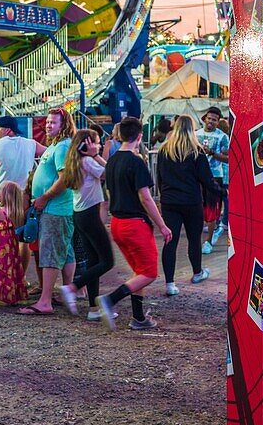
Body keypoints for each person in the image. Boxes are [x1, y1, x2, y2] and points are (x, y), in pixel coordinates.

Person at [96, 116, 173, 330]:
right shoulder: (136, 161)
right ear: (139, 136)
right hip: (134, 224)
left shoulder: (112, 160)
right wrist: (162, 225)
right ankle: (109, 300)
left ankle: (139, 318)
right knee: (149, 273)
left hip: (118, 223)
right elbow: (146, 198)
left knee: (139, 272)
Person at [19, 107, 77, 315]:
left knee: (51, 252)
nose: (48, 125)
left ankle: (45, 301)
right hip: (54, 208)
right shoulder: (56, 146)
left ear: (63, 125)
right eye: (47, 122)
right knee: (65, 251)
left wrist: (44, 197)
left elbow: (65, 178)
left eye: (53, 122)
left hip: (55, 208)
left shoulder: (62, 147)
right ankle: (68, 292)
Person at [157, 115, 222, 295]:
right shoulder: (197, 152)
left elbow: (159, 178)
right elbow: (207, 180)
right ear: (192, 129)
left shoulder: (164, 151)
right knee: (194, 239)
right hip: (192, 202)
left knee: (170, 241)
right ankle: (197, 273)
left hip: (170, 201)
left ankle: (169, 284)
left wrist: (163, 197)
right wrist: (223, 193)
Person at [59, 129, 116, 321]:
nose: (98, 146)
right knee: (107, 261)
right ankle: (72, 287)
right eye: (96, 143)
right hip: (90, 214)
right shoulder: (88, 161)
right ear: (85, 146)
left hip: (80, 214)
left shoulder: (74, 162)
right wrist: (96, 156)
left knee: (93, 261)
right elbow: (110, 173)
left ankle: (93, 308)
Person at [0, 115, 46, 288]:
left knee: (3, 237)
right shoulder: (31, 143)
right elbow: (48, 153)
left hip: (4, 196)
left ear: (6, 129)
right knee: (24, 240)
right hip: (24, 195)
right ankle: (20, 278)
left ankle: (6, 277)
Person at [196, 106, 229, 254]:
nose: (211, 122)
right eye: (209, 118)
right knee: (197, 210)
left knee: (211, 210)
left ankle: (208, 241)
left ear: (218, 122)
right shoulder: (196, 134)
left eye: (214, 120)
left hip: (215, 176)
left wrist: (213, 153)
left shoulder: (222, 137)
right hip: (196, 176)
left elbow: (228, 159)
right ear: (205, 118)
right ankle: (196, 241)